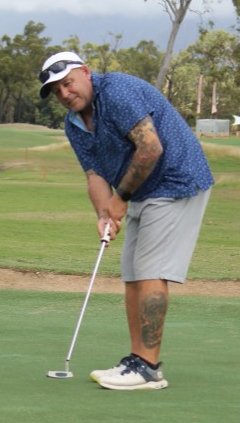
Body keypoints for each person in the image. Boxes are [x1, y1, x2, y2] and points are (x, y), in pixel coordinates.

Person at [39, 51, 214, 391]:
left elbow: (150, 148)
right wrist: (105, 215)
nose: (65, 94)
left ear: (85, 72)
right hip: (142, 189)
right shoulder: (74, 124)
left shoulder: (117, 90)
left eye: (68, 83)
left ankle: (148, 368)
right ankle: (138, 360)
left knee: (150, 269)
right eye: (57, 91)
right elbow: (94, 174)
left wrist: (119, 200)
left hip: (176, 179)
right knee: (133, 272)